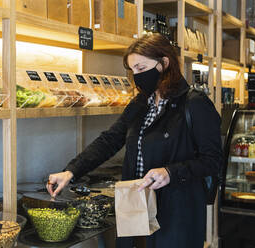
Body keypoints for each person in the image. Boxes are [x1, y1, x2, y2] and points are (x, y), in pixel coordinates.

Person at [46, 33, 223, 248]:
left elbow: (213, 160)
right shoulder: (141, 103)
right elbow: (110, 140)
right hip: (136, 204)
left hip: (177, 211)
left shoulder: (194, 104)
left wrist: (170, 172)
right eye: (133, 70)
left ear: (164, 63)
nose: (137, 76)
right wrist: (71, 171)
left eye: (141, 68)